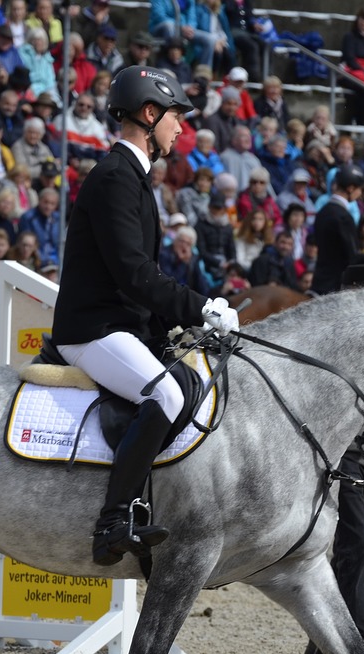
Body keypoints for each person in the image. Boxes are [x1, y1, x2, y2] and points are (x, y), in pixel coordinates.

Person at [49, 65, 235, 566]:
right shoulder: (114, 177)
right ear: (150, 114)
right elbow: (133, 273)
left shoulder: (132, 176)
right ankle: (114, 520)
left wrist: (174, 329)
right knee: (166, 393)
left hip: (118, 326)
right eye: (176, 116)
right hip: (91, 331)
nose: (181, 128)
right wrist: (203, 306)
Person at [310, 164, 364, 296]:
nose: (360, 193)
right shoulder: (344, 217)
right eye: (359, 189)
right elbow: (351, 256)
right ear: (350, 188)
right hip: (336, 286)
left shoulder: (323, 211)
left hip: (319, 280)